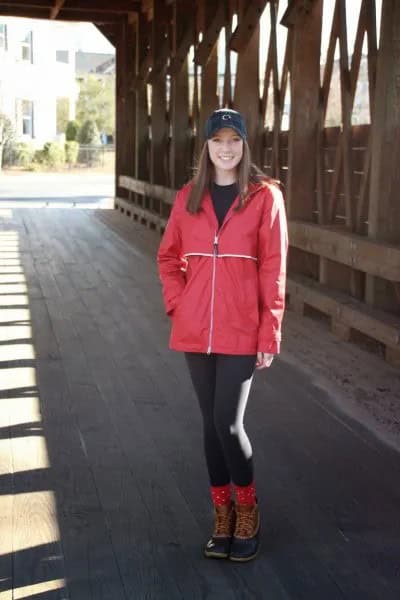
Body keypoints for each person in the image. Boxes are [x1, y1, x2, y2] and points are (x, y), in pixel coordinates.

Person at [157, 108, 288, 562]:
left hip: (240, 330)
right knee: (210, 426)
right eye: (218, 140)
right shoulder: (186, 198)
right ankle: (222, 514)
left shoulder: (264, 197)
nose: (226, 148)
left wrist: (269, 332)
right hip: (195, 330)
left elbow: (274, 268)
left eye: (234, 140)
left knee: (229, 424)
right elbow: (168, 257)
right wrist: (179, 302)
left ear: (245, 145)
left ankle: (248, 508)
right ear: (207, 147)